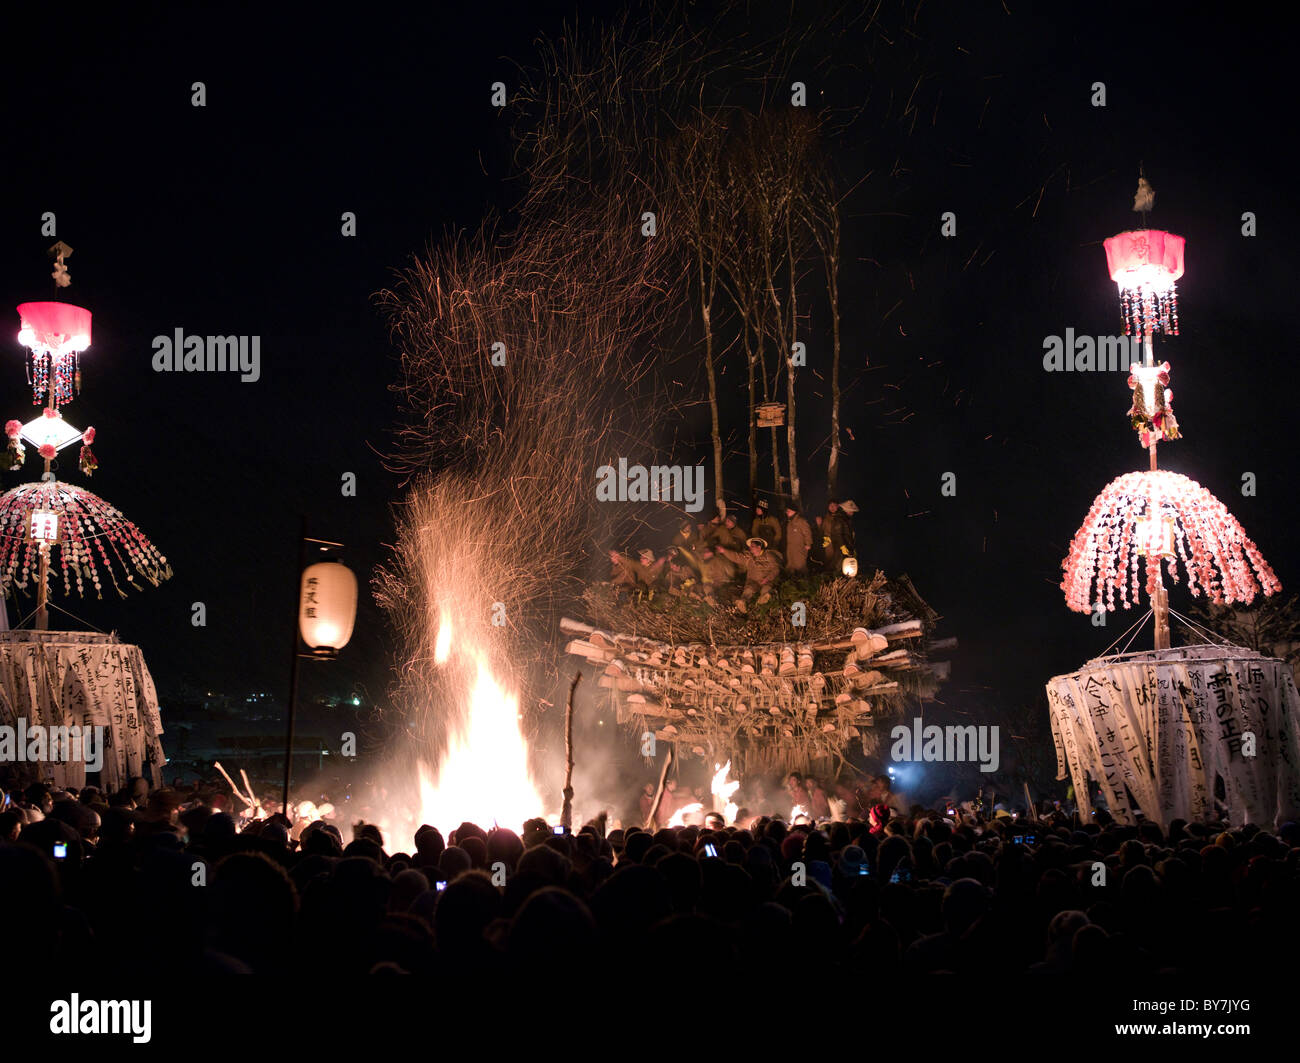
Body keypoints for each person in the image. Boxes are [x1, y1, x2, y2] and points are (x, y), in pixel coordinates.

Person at [716, 537, 781, 613]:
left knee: (766, 591)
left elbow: (776, 569)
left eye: (752, 546)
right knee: (748, 591)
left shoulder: (769, 555)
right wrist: (724, 551)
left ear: (759, 547)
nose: (750, 548)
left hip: (767, 581)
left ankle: (761, 605)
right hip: (753, 582)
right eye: (750, 547)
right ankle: (742, 603)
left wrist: (768, 578)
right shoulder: (749, 557)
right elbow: (737, 557)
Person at [823, 499, 855, 570]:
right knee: (836, 564)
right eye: (851, 510)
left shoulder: (846, 519)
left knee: (844, 565)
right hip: (837, 546)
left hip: (845, 546)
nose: (852, 512)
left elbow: (848, 534)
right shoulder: (838, 519)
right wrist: (842, 546)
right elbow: (837, 534)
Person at [783, 504, 813, 575]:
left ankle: (804, 580)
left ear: (794, 511)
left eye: (788, 511)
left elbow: (808, 533)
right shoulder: (789, 523)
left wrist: (808, 544)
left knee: (800, 565)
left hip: (799, 548)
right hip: (790, 548)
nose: (787, 512)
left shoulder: (801, 521)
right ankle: (792, 581)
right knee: (790, 565)